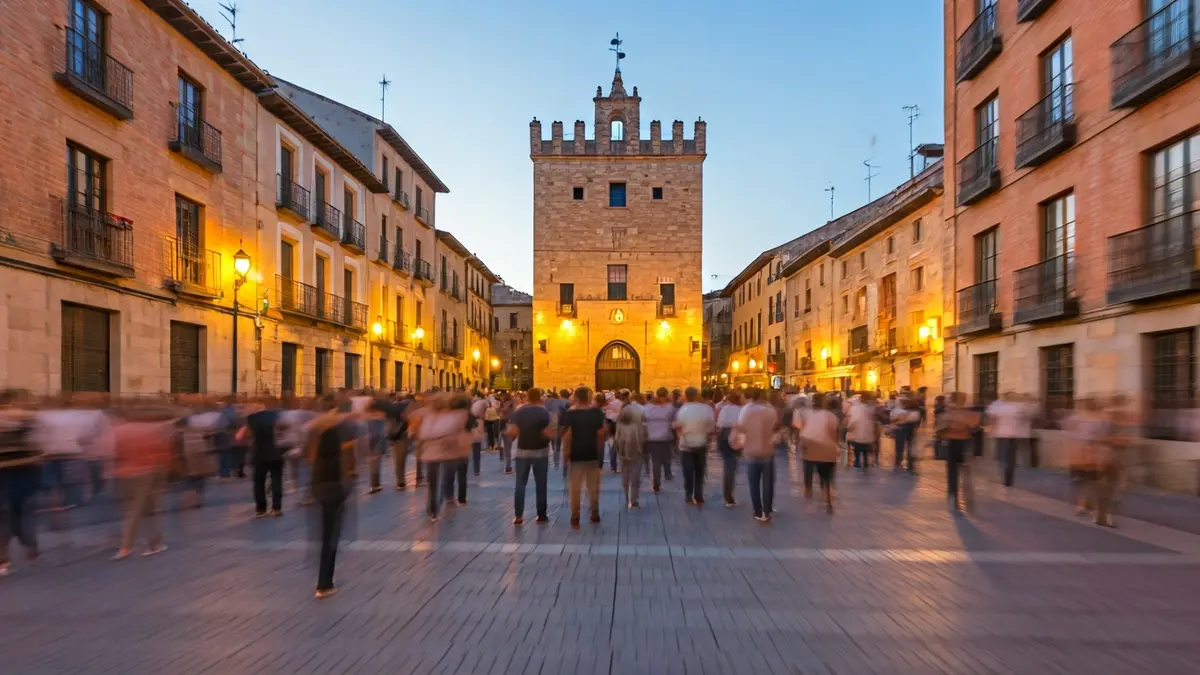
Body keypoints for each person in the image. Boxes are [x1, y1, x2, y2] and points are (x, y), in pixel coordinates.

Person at [111, 407, 174, 560]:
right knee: (144, 510)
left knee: (136, 509)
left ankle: (147, 543)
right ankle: (135, 545)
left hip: (125, 474)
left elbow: (116, 453)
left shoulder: (120, 430)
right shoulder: (152, 429)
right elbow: (163, 452)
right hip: (148, 472)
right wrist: (164, 474)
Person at [308, 398, 355, 599]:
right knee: (331, 536)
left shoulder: (315, 432)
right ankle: (325, 583)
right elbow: (347, 462)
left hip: (318, 485)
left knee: (325, 534)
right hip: (334, 487)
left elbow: (309, 458)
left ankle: (324, 580)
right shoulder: (340, 432)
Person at [0, 394, 41, 575]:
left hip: (16, 479)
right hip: (20, 479)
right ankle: (27, 547)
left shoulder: (26, 427)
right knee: (15, 516)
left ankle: (9, 557)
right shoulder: (27, 426)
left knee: (11, 518)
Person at [561, 387, 606, 528]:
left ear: (576, 397)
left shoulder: (570, 414)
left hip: (576, 455)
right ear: (589, 397)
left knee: (575, 488)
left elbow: (567, 436)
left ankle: (575, 516)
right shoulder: (596, 412)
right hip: (592, 454)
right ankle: (594, 513)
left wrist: (565, 455)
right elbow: (601, 434)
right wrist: (599, 451)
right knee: (593, 488)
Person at [507, 388, 553, 525]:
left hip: (522, 451)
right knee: (541, 484)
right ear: (540, 397)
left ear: (527, 397)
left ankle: (518, 515)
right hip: (540, 452)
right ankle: (541, 515)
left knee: (520, 483)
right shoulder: (545, 412)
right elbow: (548, 433)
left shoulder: (519, 411)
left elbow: (513, 433)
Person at [737, 388, 779, 522]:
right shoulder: (771, 410)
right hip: (767, 450)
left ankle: (757, 511)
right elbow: (776, 429)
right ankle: (767, 510)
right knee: (768, 482)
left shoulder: (746, 410)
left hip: (751, 450)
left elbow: (741, 428)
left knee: (753, 483)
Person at [795, 393, 840, 514]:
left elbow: (802, 431)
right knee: (826, 478)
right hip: (827, 449)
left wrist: (802, 444)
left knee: (808, 472)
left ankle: (808, 493)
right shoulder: (831, 416)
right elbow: (835, 434)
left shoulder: (806, 415)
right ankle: (827, 501)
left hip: (810, 448)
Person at [936, 392, 981, 513]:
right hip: (963, 444)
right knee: (963, 472)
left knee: (955, 472)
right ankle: (962, 499)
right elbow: (974, 425)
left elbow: (940, 427)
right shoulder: (967, 414)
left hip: (956, 444)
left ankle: (955, 498)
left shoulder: (950, 414)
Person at [239, 402, 284, 517]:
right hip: (276, 453)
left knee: (259, 482)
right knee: (277, 480)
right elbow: (282, 431)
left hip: (259, 454)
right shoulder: (275, 416)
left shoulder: (251, 419)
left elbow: (240, 436)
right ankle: (277, 508)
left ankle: (261, 509)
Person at [674, 387, 715, 505]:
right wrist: (708, 440)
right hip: (701, 443)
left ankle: (688, 495)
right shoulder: (706, 409)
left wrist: (680, 436)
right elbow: (711, 427)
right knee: (699, 471)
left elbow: (678, 426)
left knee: (688, 472)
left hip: (686, 444)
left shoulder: (683, 409)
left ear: (686, 396)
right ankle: (699, 495)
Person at [614, 403, 647, 508]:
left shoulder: (619, 425)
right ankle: (634, 499)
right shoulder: (638, 426)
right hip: (636, 452)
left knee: (625, 477)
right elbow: (643, 438)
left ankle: (626, 496)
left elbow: (616, 439)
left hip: (623, 454)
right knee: (635, 477)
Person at [643, 388, 676, 491]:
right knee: (666, 458)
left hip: (652, 437)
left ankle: (656, 483)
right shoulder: (669, 407)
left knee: (655, 461)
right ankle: (667, 473)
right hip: (665, 437)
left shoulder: (648, 407)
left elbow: (643, 418)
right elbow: (674, 419)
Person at [716, 391, 743, 507]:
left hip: (725, 437)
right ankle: (729, 495)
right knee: (732, 466)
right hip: (737, 437)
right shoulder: (741, 410)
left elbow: (719, 424)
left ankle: (728, 495)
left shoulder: (725, 409)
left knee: (728, 465)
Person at [845, 394, 877, 474]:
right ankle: (865, 465)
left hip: (858, 434)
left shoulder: (855, 409)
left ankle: (858, 464)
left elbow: (853, 421)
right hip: (868, 435)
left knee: (857, 450)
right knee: (865, 450)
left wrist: (849, 427)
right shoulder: (868, 409)